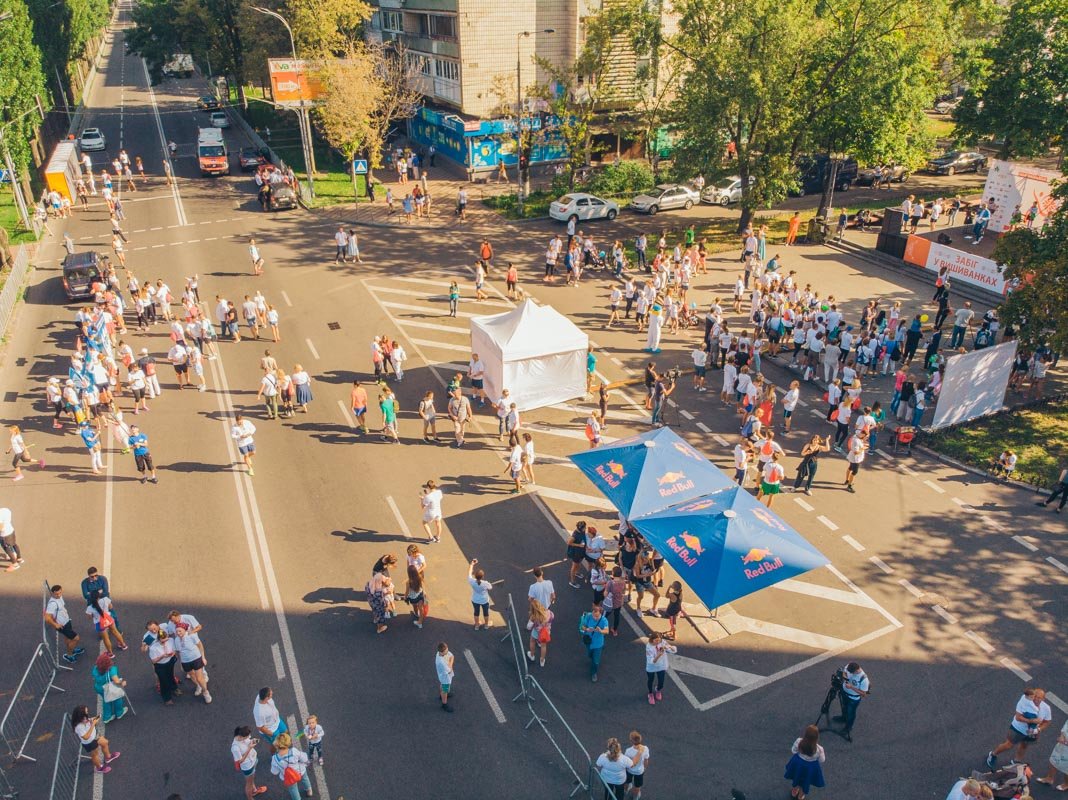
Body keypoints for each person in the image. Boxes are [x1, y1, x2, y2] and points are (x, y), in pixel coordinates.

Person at [987, 687, 1052, 769]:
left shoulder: (1046, 708)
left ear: (1043, 698)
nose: (1036, 699)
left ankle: (1016, 761)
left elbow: (1047, 722)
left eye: (1039, 697)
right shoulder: (1024, 701)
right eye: (1035, 696)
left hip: (1032, 732)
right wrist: (1032, 721)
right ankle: (993, 754)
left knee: (1024, 745)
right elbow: (1018, 717)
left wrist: (1038, 729)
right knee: (1008, 745)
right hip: (1018, 728)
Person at [71, 705, 118, 774]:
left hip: (94, 737)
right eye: (86, 712)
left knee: (105, 742)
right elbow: (86, 737)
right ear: (82, 715)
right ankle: (99, 768)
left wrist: (95, 719)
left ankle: (108, 757)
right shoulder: (79, 727)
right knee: (95, 755)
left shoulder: (84, 719)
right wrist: (93, 724)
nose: (88, 712)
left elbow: (90, 721)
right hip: (89, 742)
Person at [785, 725, 826, 800]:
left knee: (797, 776)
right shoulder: (819, 749)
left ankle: (794, 791)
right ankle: (801, 795)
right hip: (810, 767)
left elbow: (793, 751)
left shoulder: (799, 741)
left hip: (798, 764)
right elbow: (822, 760)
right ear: (817, 737)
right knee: (806, 780)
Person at [45, 585, 84, 663]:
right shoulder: (52, 604)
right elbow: (47, 618)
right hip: (62, 625)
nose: (59, 595)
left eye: (60, 593)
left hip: (66, 621)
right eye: (57, 594)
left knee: (68, 638)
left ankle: (71, 650)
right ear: (53, 593)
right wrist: (56, 625)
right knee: (76, 638)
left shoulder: (60, 597)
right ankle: (69, 655)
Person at [270, 732, 312, 800]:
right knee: (305, 779)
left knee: (293, 789)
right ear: (288, 743)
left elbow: (274, 772)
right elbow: (304, 758)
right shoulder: (293, 751)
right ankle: (309, 791)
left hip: (288, 777)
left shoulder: (274, 758)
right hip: (300, 771)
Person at [232, 726, 268, 798]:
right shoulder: (235, 748)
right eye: (247, 737)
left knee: (251, 779)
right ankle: (250, 798)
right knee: (249, 784)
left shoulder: (242, 737)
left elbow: (248, 741)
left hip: (253, 761)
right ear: (241, 737)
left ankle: (254, 790)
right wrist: (249, 748)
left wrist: (252, 741)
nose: (249, 737)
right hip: (248, 767)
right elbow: (240, 761)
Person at [91, 652, 128, 723]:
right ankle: (119, 713)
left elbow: (94, 678)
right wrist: (122, 683)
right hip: (110, 688)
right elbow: (117, 681)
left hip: (99, 688)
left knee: (106, 700)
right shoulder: (112, 670)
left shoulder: (95, 669)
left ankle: (107, 717)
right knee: (117, 699)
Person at [837, 661, 869, 740]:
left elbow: (864, 694)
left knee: (850, 713)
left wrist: (851, 687)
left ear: (856, 670)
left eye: (852, 672)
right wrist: (845, 678)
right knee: (844, 707)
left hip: (853, 698)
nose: (850, 673)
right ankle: (843, 718)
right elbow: (844, 672)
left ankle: (848, 727)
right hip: (844, 693)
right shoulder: (849, 666)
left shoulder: (864, 679)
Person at [579, 604, 609, 682]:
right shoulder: (589, 616)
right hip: (588, 641)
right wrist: (586, 629)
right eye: (593, 612)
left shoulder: (604, 620)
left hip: (598, 644)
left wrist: (600, 631)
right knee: (590, 654)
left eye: (596, 613)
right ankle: (592, 659)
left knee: (595, 661)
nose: (594, 615)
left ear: (600, 613)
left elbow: (607, 631)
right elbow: (582, 626)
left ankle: (594, 673)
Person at [645, 631, 676, 705]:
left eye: (659, 640)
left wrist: (670, 647)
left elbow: (673, 650)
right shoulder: (648, 647)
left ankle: (658, 689)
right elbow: (651, 661)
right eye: (656, 640)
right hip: (651, 667)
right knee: (650, 680)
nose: (658, 642)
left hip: (661, 666)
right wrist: (659, 654)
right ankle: (650, 694)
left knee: (661, 682)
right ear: (652, 639)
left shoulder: (662, 642)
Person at [1037, 718, 1068, 790]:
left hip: (1065, 744)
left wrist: (1066, 742)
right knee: (1054, 760)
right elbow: (1066, 726)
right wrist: (1062, 735)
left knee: (1067, 768)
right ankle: (1049, 778)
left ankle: (1066, 784)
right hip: (1062, 744)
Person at [526, 599, 554, 668]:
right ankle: (542, 660)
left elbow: (528, 627)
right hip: (545, 632)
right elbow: (552, 619)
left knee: (532, 641)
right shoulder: (550, 613)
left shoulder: (534, 617)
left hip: (536, 632)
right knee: (543, 646)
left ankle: (532, 655)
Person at [623, 730, 650, 800]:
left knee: (627, 781)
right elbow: (646, 760)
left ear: (631, 741)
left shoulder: (628, 751)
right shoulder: (645, 749)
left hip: (629, 770)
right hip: (639, 771)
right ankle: (635, 796)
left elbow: (626, 762)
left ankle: (625, 790)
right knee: (637, 786)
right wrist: (645, 768)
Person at [468, 559, 492, 630]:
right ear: (482, 577)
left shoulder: (471, 581)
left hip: (475, 600)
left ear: (475, 576)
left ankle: (477, 625)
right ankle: (486, 625)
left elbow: (469, 572)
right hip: (484, 600)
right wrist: (488, 585)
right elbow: (490, 588)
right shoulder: (485, 583)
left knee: (476, 612)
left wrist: (472, 564)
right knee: (486, 613)